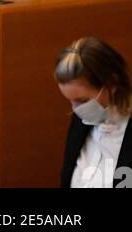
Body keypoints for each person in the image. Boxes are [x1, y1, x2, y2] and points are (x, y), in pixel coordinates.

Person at [55, 37, 132, 188]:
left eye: (82, 101)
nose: (76, 109)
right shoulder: (81, 123)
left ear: (111, 83)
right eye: (70, 101)